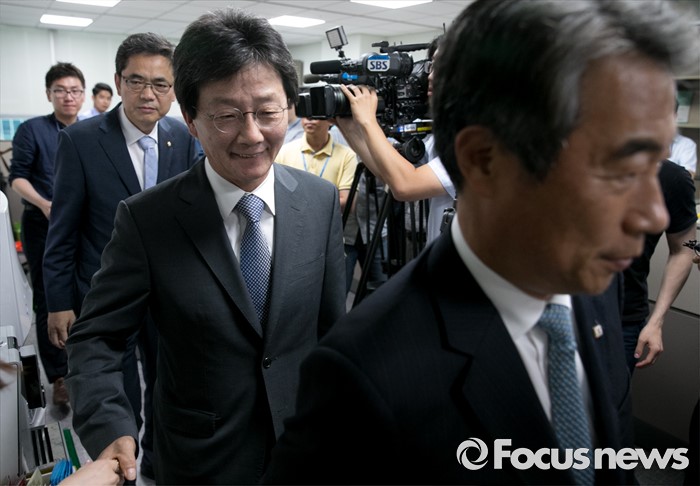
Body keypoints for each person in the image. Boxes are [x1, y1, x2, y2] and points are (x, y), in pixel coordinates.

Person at [263, 0, 698, 484]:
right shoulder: (362, 374)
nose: (654, 215)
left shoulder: (595, 288)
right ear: (484, 160)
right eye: (615, 168)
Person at [64, 8, 346, 485]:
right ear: (191, 120)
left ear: (290, 108)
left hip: (303, 446)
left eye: (268, 112)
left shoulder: (318, 201)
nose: (252, 135)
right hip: (201, 459)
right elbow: (97, 338)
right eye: (226, 116)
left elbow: (331, 328)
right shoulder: (148, 219)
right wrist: (110, 425)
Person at [43, 33, 199, 479]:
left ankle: (157, 463)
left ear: (174, 89)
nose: (148, 94)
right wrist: (58, 301)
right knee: (118, 393)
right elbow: (63, 228)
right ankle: (121, 472)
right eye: (136, 81)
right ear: (118, 82)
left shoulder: (181, 135)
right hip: (105, 291)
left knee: (168, 383)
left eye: (161, 84)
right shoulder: (81, 140)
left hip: (167, 290)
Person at [8, 62, 85, 407]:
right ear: (49, 94)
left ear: (83, 95)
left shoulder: (91, 131)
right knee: (50, 297)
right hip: (44, 226)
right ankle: (59, 377)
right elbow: (18, 178)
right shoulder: (33, 130)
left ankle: (85, 369)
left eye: (74, 90)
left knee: (85, 293)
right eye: (61, 91)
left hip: (84, 226)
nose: (68, 97)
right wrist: (43, 203)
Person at [335, 35, 456, 245]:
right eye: (432, 66)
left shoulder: (482, 140)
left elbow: (406, 185)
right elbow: (390, 175)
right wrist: (348, 127)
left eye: (442, 66)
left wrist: (368, 121)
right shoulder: (442, 136)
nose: (430, 76)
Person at [621, 159, 697, 373]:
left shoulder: (671, 177)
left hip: (623, 318)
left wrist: (657, 320)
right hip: (556, 306)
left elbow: (684, 249)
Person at [276, 116, 357, 212]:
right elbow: (276, 195)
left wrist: (305, 206)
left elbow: (347, 202)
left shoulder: (347, 155)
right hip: (291, 218)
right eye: (304, 112)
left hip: (328, 220)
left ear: (331, 120)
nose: (309, 118)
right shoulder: (284, 152)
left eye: (316, 112)